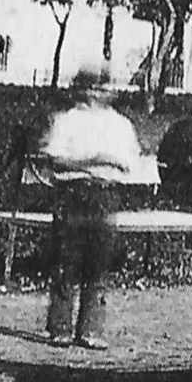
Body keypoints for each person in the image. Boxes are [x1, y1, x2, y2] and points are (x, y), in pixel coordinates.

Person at [38, 68, 147, 349]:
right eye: (91, 88)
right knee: (67, 260)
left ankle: (91, 329)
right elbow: (54, 160)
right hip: (72, 192)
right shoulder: (65, 121)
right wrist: (92, 161)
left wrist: (109, 163)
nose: (96, 94)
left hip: (105, 194)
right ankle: (60, 327)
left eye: (103, 88)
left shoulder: (120, 125)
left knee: (99, 261)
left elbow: (128, 164)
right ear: (80, 90)